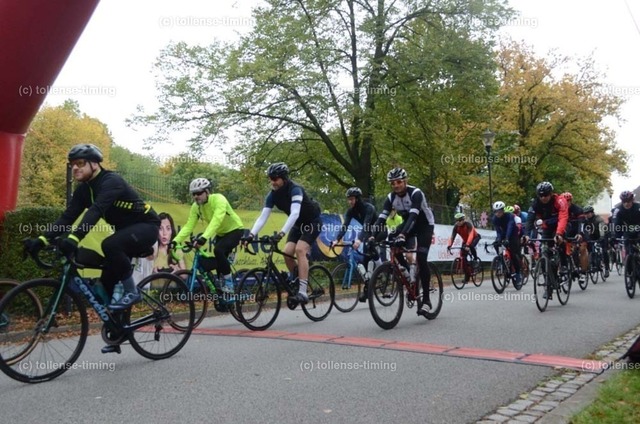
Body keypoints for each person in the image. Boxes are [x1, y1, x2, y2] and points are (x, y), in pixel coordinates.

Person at [23, 143, 160, 353]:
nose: (75, 168)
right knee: (104, 284)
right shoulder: (84, 190)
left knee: (109, 244)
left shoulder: (111, 181)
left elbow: (96, 211)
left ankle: (133, 292)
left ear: (94, 164)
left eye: (80, 163)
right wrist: (41, 240)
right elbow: (68, 217)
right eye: (72, 164)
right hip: (124, 232)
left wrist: (74, 238)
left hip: (146, 226)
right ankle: (118, 331)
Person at [244, 163, 322, 304]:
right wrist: (251, 235)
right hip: (298, 225)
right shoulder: (272, 195)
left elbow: (295, 213)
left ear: (284, 178)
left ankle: (303, 292)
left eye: (275, 178)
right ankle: (299, 280)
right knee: (287, 253)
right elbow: (263, 217)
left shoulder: (295, 189)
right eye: (270, 179)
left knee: (300, 250)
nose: (272, 182)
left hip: (312, 222)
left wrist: (281, 233)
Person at [371, 167, 435, 317]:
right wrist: (372, 236)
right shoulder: (390, 197)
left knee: (421, 258)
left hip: (424, 225)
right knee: (392, 242)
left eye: (399, 182)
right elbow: (382, 218)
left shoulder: (416, 193)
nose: (396, 185)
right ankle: (408, 275)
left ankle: (426, 300)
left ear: (405, 181)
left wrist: (403, 235)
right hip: (408, 224)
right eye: (393, 183)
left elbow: (413, 216)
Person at [173, 178, 244, 294]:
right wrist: (175, 241)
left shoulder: (219, 199)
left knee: (218, 250)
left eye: (199, 193)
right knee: (219, 263)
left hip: (235, 230)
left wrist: (203, 238)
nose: (196, 196)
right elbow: (189, 225)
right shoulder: (196, 207)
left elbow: (217, 220)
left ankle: (229, 284)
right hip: (221, 233)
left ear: (207, 192)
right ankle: (224, 296)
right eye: (193, 194)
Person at [330, 187, 381, 302]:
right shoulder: (351, 211)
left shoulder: (369, 208)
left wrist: (358, 240)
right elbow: (345, 226)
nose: (350, 202)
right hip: (368, 232)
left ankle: (381, 268)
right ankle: (368, 289)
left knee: (370, 245)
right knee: (365, 260)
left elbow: (366, 225)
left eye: (352, 199)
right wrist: (336, 240)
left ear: (358, 199)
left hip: (379, 230)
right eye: (348, 199)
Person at [523, 181, 569, 299]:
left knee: (560, 241)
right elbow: (529, 220)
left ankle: (563, 265)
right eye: (541, 195)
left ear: (551, 194)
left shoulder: (560, 201)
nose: (543, 198)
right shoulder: (535, 204)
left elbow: (563, 217)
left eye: (546, 195)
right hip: (547, 227)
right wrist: (526, 235)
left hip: (559, 225)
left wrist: (559, 233)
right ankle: (548, 286)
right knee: (544, 253)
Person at [491, 202, 522, 285]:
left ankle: (518, 273)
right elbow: (498, 230)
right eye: (496, 212)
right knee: (496, 244)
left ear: (503, 210)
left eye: (499, 211)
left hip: (513, 234)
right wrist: (499, 239)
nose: (498, 213)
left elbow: (510, 227)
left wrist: (507, 239)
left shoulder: (509, 216)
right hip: (503, 233)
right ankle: (501, 260)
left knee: (513, 253)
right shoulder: (495, 219)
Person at [580, 205, 610, 278]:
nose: (587, 215)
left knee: (604, 251)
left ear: (592, 213)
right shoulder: (585, 221)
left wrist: (602, 237)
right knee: (590, 250)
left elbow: (602, 229)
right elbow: (583, 230)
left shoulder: (598, 219)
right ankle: (592, 264)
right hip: (592, 236)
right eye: (585, 213)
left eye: (588, 213)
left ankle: (606, 268)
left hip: (602, 235)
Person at [612, 190, 640, 255]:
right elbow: (615, 223)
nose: (626, 204)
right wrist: (614, 236)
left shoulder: (638, 207)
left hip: (638, 228)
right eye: (624, 202)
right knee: (628, 249)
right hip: (627, 230)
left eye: (628, 201)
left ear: (632, 200)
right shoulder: (618, 210)